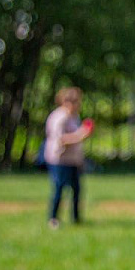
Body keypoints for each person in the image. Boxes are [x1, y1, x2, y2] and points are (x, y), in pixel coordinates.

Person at [44, 86, 93, 229]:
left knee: (77, 189)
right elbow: (60, 139)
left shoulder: (74, 116)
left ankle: (76, 219)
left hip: (73, 160)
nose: (79, 105)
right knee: (59, 188)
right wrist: (81, 135)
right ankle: (53, 218)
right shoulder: (59, 117)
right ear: (67, 101)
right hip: (59, 159)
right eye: (77, 102)